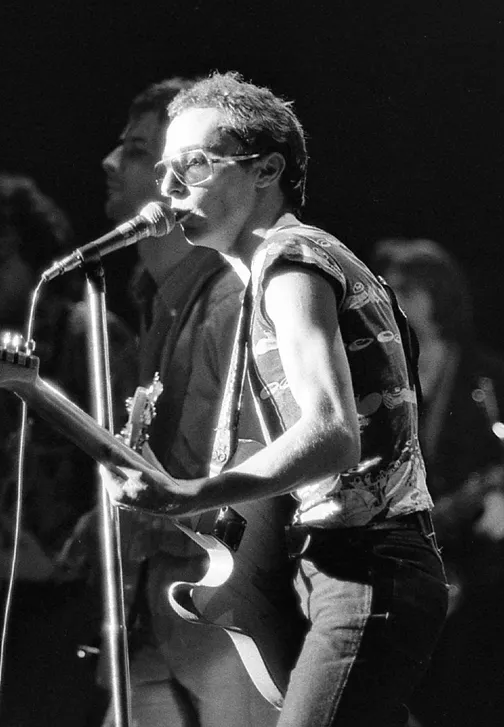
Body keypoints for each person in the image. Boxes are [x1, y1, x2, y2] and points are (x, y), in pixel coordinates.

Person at [102, 72, 450, 727]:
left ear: (267, 170)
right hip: (342, 569)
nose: (168, 188)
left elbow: (332, 433)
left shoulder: (290, 260)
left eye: (194, 165)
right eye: (166, 170)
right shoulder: (289, 268)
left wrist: (190, 494)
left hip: (366, 568)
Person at [97, 76, 279, 726]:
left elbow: (246, 488)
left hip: (224, 626)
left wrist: (142, 514)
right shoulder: (157, 301)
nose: (109, 163)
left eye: (135, 150)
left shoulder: (232, 301)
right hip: (164, 617)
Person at [0, 172, 137, 727]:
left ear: (34, 254)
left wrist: (65, 556)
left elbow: (129, 462)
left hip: (71, 602)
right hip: (5, 598)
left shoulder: (87, 332)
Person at [371, 238, 504, 727]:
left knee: (478, 701)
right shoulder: (380, 375)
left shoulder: (489, 376)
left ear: (440, 295)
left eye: (407, 289)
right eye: (390, 289)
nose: (394, 299)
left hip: (477, 574)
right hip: (407, 569)